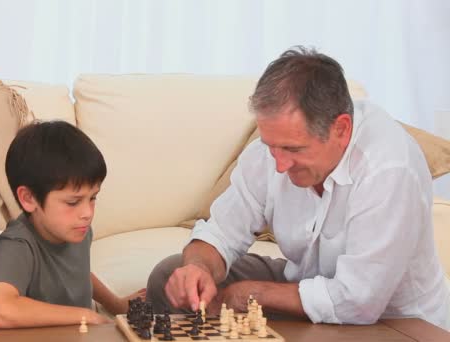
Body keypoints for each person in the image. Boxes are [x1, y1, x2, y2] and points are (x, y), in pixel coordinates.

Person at [146, 46, 450, 330]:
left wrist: (249, 295)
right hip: (309, 286)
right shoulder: (271, 154)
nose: (279, 164)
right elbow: (221, 232)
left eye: (293, 149)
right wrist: (198, 268)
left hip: (390, 321)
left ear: (341, 129)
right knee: (169, 276)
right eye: (271, 146)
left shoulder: (389, 167)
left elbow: (358, 302)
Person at [0, 120, 146, 328]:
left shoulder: (76, 230)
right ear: (28, 198)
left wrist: (115, 303)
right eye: (73, 202)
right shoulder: (16, 245)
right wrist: (86, 316)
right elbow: (1, 310)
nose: (87, 213)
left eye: (93, 198)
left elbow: (77, 272)